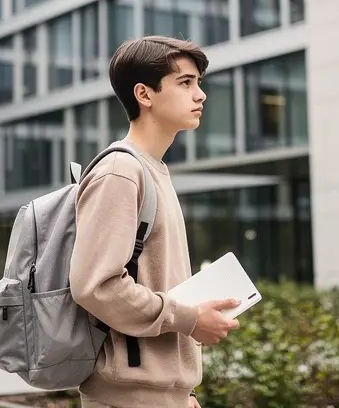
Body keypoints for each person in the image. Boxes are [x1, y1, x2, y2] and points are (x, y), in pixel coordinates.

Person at [70, 36, 241, 408]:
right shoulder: (121, 171)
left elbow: (159, 281)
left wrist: (183, 392)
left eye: (199, 83)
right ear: (144, 95)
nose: (201, 95)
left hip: (161, 397)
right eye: (186, 82)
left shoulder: (154, 171)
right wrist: (191, 319)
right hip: (128, 398)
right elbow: (95, 286)